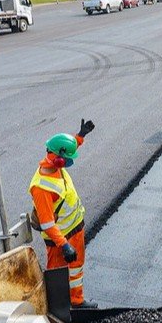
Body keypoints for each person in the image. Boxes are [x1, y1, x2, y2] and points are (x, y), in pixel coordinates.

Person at [29, 120, 97, 309]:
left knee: (76, 267)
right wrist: (64, 245)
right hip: (60, 238)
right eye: (66, 159)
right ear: (57, 158)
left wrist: (81, 135)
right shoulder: (42, 188)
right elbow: (47, 224)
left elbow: (69, 146)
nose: (69, 162)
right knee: (57, 272)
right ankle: (56, 308)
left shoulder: (56, 164)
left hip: (74, 228)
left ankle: (76, 301)